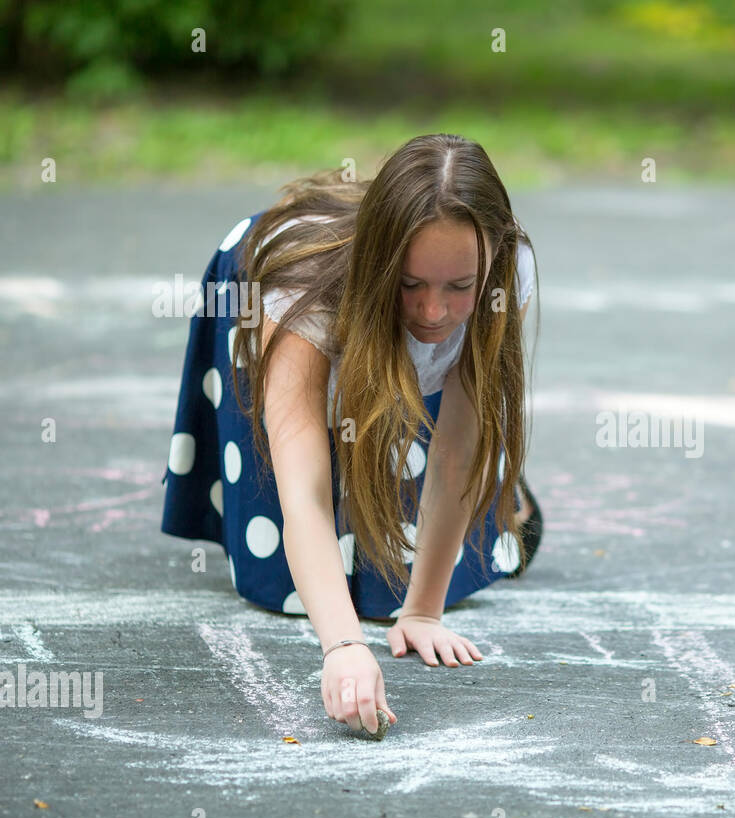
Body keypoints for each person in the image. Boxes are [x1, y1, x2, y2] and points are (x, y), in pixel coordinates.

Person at [160, 133, 542, 738]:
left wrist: (422, 610)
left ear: (491, 256)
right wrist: (341, 646)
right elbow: (303, 489)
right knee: (282, 582)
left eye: (458, 286)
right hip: (284, 281)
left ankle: (499, 496)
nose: (435, 312)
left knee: (415, 579)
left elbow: (456, 450)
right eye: (411, 284)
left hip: (380, 338)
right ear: (382, 265)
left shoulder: (503, 272)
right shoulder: (299, 291)